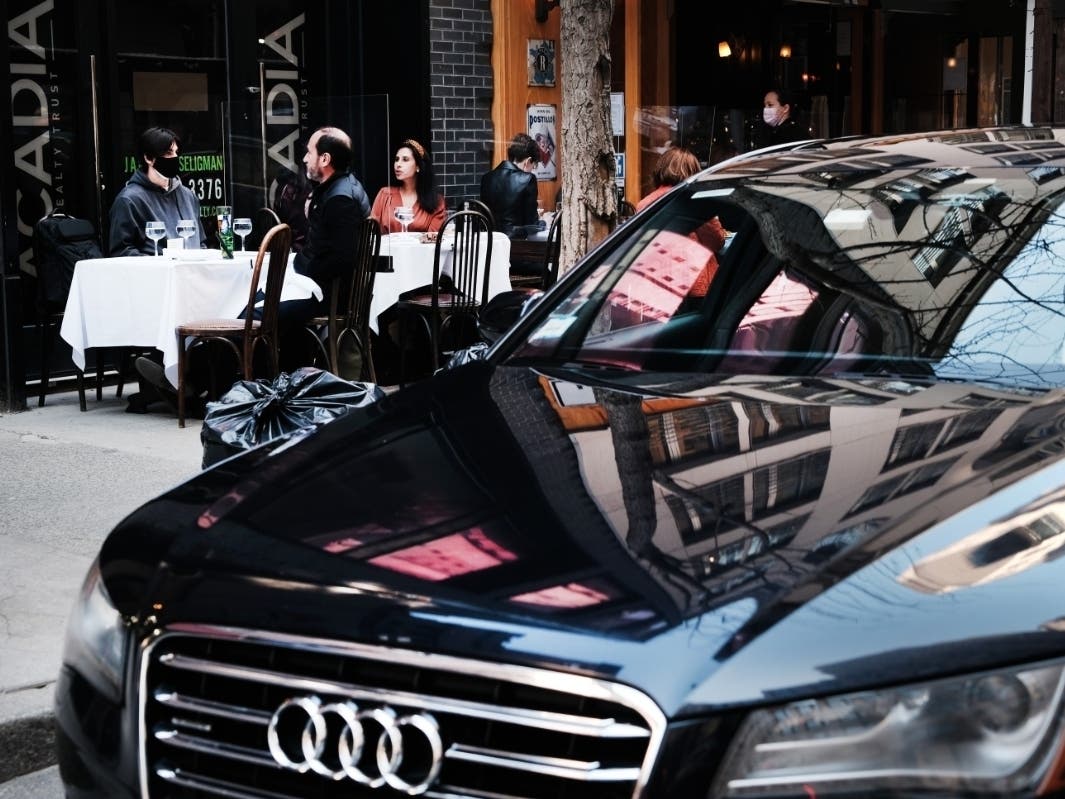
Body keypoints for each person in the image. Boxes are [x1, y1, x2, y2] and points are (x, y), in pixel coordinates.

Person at [637, 146, 726, 299]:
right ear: (693, 172)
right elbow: (716, 241)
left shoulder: (644, 205)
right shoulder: (695, 201)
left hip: (659, 286)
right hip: (695, 284)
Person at [108, 127, 203, 256]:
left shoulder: (187, 195)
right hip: (157, 274)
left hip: (191, 272)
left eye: (176, 152)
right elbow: (122, 251)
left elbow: (201, 242)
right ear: (148, 158)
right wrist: (157, 265)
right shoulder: (129, 200)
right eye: (169, 153)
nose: (175, 157)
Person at [370, 139, 447, 235]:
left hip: (421, 250)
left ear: (418, 166)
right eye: (396, 159)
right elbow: (371, 231)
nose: (398, 164)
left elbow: (433, 240)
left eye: (405, 160)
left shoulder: (436, 201)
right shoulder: (385, 194)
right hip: (386, 249)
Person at [480, 132, 541, 239]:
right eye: (534, 165)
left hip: (490, 244)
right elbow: (532, 224)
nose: (532, 170)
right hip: (516, 245)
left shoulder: (486, 178)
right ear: (528, 161)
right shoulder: (528, 179)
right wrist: (544, 222)